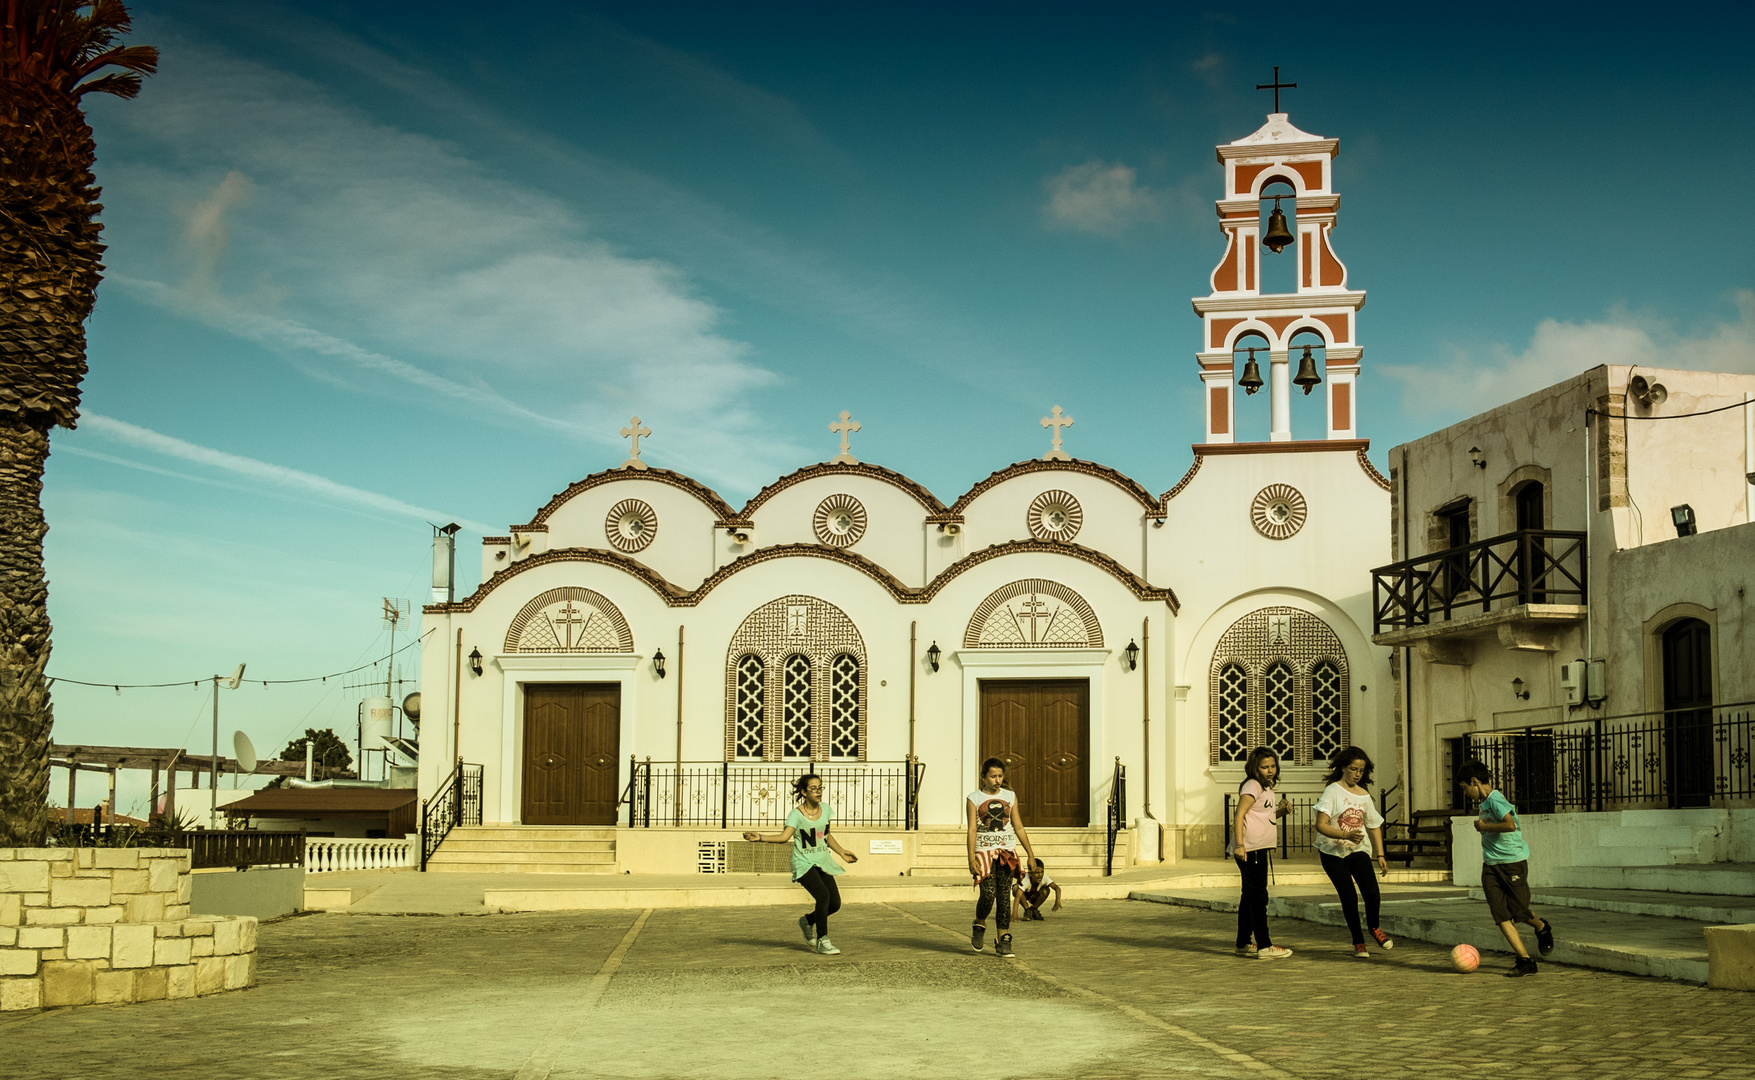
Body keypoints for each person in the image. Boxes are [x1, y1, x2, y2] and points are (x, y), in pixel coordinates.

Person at [743, 773, 859, 955]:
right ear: (804, 792)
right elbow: (784, 837)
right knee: (823, 897)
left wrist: (841, 852)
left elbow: (825, 836)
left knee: (835, 904)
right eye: (813, 789)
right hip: (803, 863)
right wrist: (761, 837)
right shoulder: (795, 815)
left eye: (820, 787)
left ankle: (806, 921)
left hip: (822, 861)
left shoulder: (826, 810)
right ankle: (823, 940)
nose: (818, 792)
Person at [1462, 761, 1554, 977]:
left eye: (1465, 787)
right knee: (1500, 914)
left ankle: (1541, 927)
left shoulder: (1496, 799)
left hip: (1512, 863)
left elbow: (1510, 824)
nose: (1465, 793)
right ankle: (1525, 960)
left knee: (1520, 912)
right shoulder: (1484, 802)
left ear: (1474, 782)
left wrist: (1484, 827)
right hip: (1491, 866)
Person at [1312, 746, 1393, 958]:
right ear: (1343, 768)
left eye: (1361, 770)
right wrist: (1344, 835)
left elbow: (1374, 825)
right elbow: (1320, 825)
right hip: (1332, 852)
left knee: (1372, 892)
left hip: (1358, 850)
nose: (1357, 774)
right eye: (1353, 769)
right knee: (1348, 897)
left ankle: (1374, 927)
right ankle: (1358, 942)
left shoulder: (1364, 795)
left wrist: (1380, 854)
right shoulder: (1332, 791)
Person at [967, 757, 1038, 958]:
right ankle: (979, 923)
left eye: (1000, 776)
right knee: (988, 894)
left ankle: (1003, 938)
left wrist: (1030, 854)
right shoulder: (974, 799)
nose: (997, 780)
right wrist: (971, 858)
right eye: (992, 776)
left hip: (1007, 852)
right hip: (984, 853)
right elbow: (972, 829)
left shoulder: (1010, 796)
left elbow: (1019, 826)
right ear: (983, 777)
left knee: (1004, 897)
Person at [1229, 746, 1293, 959]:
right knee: (1258, 897)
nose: (1270, 770)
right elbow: (1239, 814)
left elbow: (1264, 816)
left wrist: (1282, 811)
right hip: (1250, 849)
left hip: (1259, 848)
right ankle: (1265, 946)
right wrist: (1240, 845)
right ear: (1254, 768)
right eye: (1265, 767)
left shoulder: (1266, 788)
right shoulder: (1252, 785)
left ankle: (1243, 943)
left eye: (1273, 766)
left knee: (1249, 897)